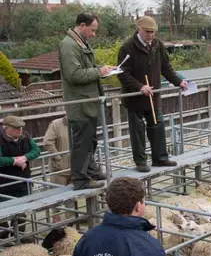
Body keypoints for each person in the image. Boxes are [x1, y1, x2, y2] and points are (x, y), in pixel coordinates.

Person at [117, 16, 188, 173]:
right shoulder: (127, 47)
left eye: (153, 32)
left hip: (153, 96)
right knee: (137, 129)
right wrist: (140, 86)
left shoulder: (157, 45)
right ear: (139, 29)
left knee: (157, 126)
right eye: (147, 31)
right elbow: (122, 73)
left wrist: (178, 81)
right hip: (134, 98)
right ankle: (141, 161)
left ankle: (160, 158)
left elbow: (165, 67)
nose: (150, 35)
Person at [59, 12, 112, 190]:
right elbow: (73, 75)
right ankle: (81, 179)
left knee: (90, 140)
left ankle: (91, 169)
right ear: (82, 25)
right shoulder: (69, 46)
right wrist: (99, 72)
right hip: (79, 104)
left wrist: (101, 69)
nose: (93, 34)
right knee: (82, 142)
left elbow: (84, 69)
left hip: (88, 102)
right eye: (92, 30)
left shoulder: (79, 43)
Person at [0, 115, 41, 240]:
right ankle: (4, 234)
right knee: (4, 209)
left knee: (22, 209)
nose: (20, 131)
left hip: (23, 180)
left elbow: (36, 150)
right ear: (6, 128)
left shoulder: (25, 136)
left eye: (21, 128)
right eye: (16, 128)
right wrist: (13, 161)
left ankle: (19, 235)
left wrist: (24, 158)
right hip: (4, 183)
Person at [43, 116, 74, 222]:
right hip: (59, 167)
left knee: (72, 194)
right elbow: (48, 142)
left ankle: (71, 219)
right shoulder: (56, 124)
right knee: (57, 193)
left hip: (75, 166)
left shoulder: (78, 123)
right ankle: (56, 219)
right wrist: (58, 157)